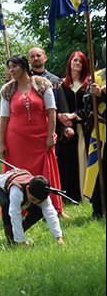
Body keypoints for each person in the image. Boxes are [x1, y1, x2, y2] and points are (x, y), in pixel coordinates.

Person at [0, 55, 64, 215]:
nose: (11, 70)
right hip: (16, 141)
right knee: (18, 174)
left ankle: (54, 210)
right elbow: (4, 118)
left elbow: (51, 112)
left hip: (40, 138)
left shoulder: (42, 85)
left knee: (45, 172)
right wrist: (1, 143)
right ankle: (18, 209)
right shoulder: (7, 90)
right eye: (9, 67)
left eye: (14, 66)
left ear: (24, 66)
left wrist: (50, 136)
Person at [28, 46, 69, 217]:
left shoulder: (54, 80)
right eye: (32, 56)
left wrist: (66, 127)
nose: (36, 58)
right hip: (30, 132)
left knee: (52, 170)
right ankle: (30, 206)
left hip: (49, 131)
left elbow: (60, 107)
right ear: (29, 60)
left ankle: (56, 209)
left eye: (39, 55)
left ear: (45, 58)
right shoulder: (24, 79)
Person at [0, 169, 64, 246]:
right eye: (33, 199)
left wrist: (59, 238)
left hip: (23, 192)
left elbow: (51, 214)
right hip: (1, 189)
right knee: (7, 205)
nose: (35, 202)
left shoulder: (43, 194)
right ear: (27, 188)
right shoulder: (17, 191)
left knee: (39, 211)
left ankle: (16, 235)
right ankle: (11, 240)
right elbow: (15, 215)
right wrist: (21, 241)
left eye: (38, 201)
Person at [57, 51, 91, 204]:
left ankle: (85, 194)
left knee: (84, 161)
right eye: (74, 60)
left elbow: (89, 108)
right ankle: (68, 197)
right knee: (68, 162)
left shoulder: (88, 84)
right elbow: (56, 107)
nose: (77, 63)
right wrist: (62, 119)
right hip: (67, 131)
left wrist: (72, 116)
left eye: (80, 61)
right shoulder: (61, 85)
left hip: (85, 129)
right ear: (69, 63)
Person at [80, 42, 106, 217]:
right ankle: (98, 208)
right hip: (101, 129)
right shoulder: (97, 76)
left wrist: (103, 95)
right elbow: (87, 103)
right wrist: (93, 95)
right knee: (99, 169)